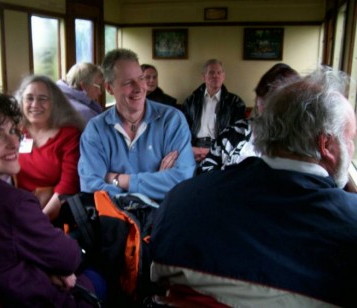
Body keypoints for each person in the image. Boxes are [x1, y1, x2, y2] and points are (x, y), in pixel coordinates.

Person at [150, 67, 357, 307]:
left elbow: (158, 281)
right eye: (350, 139)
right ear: (327, 145)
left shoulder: (180, 200)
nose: (351, 148)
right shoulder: (350, 225)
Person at [0, 89, 106, 307]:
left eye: (13, 130)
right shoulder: (14, 204)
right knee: (102, 272)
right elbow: (68, 258)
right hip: (31, 298)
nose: (13, 143)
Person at [78, 48, 195, 202]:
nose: (139, 88)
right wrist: (156, 182)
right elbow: (91, 186)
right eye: (128, 82)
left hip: (167, 217)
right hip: (117, 221)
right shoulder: (96, 129)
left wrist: (118, 179)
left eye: (141, 78)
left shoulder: (172, 120)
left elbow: (181, 180)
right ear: (109, 88)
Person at [199, 63, 300, 173]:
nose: (268, 108)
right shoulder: (235, 132)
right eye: (263, 99)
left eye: (278, 103)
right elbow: (205, 171)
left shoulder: (304, 143)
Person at [14, 75, 85, 221]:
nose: (35, 105)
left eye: (43, 99)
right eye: (29, 98)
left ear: (55, 103)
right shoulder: (14, 131)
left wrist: (40, 221)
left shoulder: (69, 135)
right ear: (21, 102)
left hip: (53, 212)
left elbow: (68, 186)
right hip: (16, 209)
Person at [182, 59, 246, 162]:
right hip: (194, 146)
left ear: (223, 76)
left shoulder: (235, 102)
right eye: (211, 72)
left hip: (221, 148)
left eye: (219, 73)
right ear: (204, 77)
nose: (216, 76)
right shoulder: (191, 101)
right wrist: (191, 149)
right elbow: (183, 129)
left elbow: (238, 132)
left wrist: (217, 150)